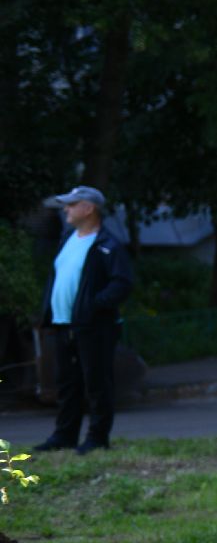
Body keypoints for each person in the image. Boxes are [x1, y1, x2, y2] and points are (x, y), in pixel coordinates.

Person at [32, 185, 134, 455]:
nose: (66, 209)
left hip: (94, 326)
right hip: (65, 325)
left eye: (71, 204)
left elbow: (122, 284)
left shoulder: (107, 245)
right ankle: (64, 436)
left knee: (97, 383)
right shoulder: (68, 238)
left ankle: (97, 439)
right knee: (67, 383)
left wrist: (94, 306)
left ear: (88, 209)